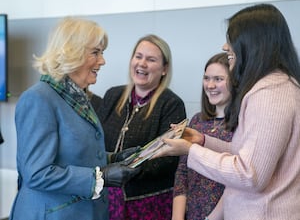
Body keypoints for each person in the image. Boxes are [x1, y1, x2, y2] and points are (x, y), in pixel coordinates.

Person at [154, 3, 300, 220]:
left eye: (232, 40)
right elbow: (251, 156)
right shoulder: (275, 87)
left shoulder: (270, 94)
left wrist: (190, 151)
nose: (225, 46)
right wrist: (203, 141)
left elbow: (250, 175)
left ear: (253, 44)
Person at [9, 17, 141, 220]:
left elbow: (73, 155)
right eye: (95, 52)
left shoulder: (77, 97)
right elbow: (37, 174)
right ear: (72, 53)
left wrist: (114, 159)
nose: (102, 61)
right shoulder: (38, 99)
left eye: (102, 53)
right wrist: (100, 177)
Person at [91, 34, 187, 220]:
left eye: (151, 60)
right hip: (107, 198)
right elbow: (97, 138)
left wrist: (126, 169)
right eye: (138, 56)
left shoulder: (171, 104)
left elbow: (168, 160)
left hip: (148, 204)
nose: (142, 64)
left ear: (164, 69)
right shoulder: (113, 95)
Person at [172, 52, 233, 220]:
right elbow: (183, 173)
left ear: (235, 82)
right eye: (207, 78)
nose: (210, 85)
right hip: (193, 214)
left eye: (218, 79)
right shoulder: (197, 120)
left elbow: (236, 182)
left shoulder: (243, 123)